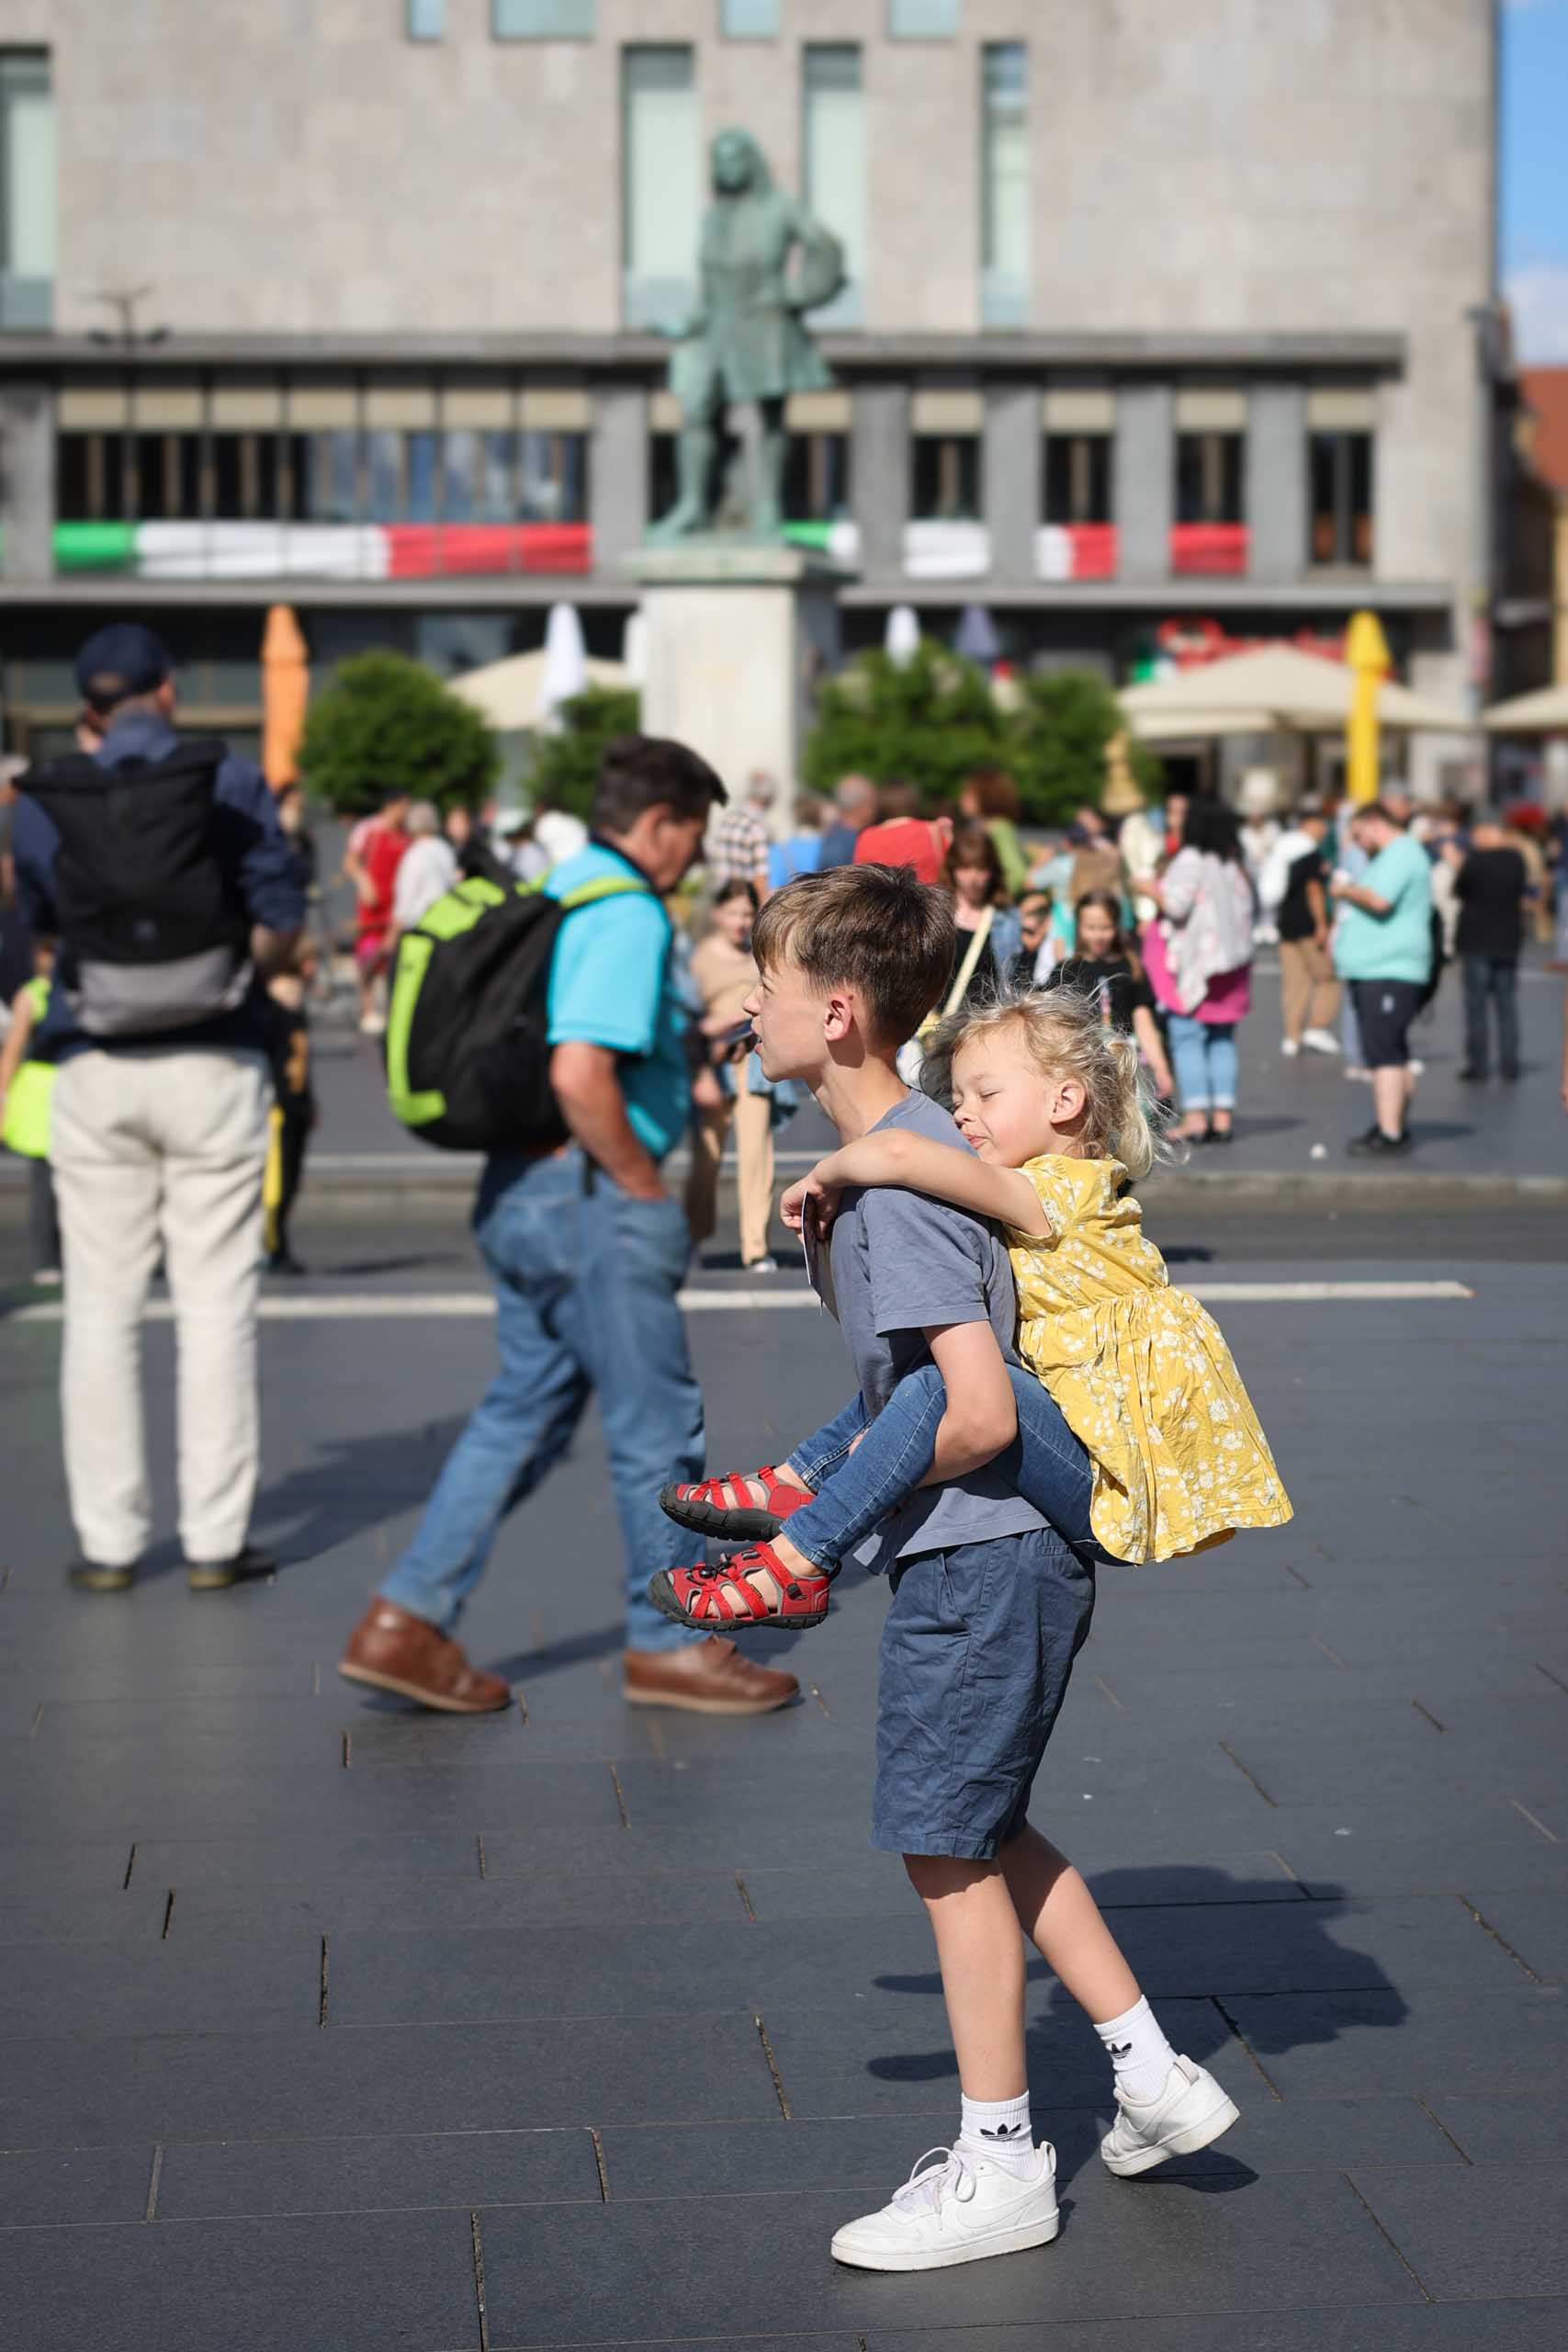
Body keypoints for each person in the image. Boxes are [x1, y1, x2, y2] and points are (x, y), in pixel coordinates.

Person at [649, 866, 1244, 2271]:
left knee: (940, 1842)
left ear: (837, 1011)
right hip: (996, 1550)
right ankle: (1150, 2078)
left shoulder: (904, 1182)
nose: (746, 1004)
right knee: (987, 1824)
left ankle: (998, 2162)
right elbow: (909, 1378)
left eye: (767, 986)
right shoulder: (908, 1152)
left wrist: (824, 1524)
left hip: (981, 1556)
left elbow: (966, 1411)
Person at [336, 733, 798, 1720]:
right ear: (661, 823)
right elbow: (579, 1071)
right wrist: (639, 1187)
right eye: (692, 834)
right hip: (589, 1198)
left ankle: (405, 1621)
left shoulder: (562, 888)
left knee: (521, 1414)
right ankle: (673, 1643)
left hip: (525, 1192)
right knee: (656, 1429)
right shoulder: (625, 909)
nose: (692, 858)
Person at [655, 975, 1290, 1629]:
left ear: (1064, 1101)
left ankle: (800, 1558)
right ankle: (797, 1479)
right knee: (936, 1368)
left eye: (986, 1094)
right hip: (1089, 1458)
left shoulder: (1058, 1191)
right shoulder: (1048, 1187)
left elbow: (901, 1152)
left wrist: (821, 1174)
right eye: (956, 1098)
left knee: (938, 1384)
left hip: (1109, 1497)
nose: (961, 1114)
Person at [9, 622, 305, 1592]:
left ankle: (109, 1540)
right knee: (216, 1305)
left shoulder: (44, 799)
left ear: (86, 707)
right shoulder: (227, 780)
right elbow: (281, 921)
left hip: (94, 1061)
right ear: (168, 692)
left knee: (99, 1306)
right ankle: (216, 1540)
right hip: (213, 1062)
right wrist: (229, 977)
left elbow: (44, 932)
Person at [684, 879, 790, 1272]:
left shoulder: (759, 956)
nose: (741, 922)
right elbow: (688, 1012)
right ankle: (693, 1239)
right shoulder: (698, 959)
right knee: (706, 1158)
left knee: (756, 1155)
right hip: (712, 1065)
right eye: (733, 913)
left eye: (747, 914)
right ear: (717, 915)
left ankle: (755, 1247)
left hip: (752, 1060)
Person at [1140, 798, 1254, 1145]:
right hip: (1230, 969)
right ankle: (1222, 1116)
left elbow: (1176, 904)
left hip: (1195, 969)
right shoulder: (1232, 863)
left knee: (1188, 1040)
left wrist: (1148, 888)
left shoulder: (1190, 861)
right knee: (1222, 1041)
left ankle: (1195, 1118)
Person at [1331, 800, 1433, 1156]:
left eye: (1359, 835)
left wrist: (1344, 890)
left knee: (1384, 1054)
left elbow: (1380, 901)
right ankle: (1395, 1123)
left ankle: (1390, 1132)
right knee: (1394, 1051)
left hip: (1388, 968)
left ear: (1375, 824)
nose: (1359, 844)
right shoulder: (1395, 854)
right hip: (1380, 967)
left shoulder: (1401, 853)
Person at [1043, 892, 1175, 1101]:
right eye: (1091, 928)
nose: (1098, 935)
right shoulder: (1067, 970)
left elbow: (1144, 1023)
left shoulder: (1131, 968)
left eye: (1105, 928)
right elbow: (1053, 1022)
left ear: (1116, 926)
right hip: (1082, 1064)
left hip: (1124, 1065)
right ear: (1079, 927)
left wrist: (1161, 1068)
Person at [0, 944, 61, 1283]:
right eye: (43, 953)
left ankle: (70, 1256)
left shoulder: (75, 987)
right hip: (39, 1097)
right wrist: (3, 1099)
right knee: (42, 1187)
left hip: (74, 1092)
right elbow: (11, 1052)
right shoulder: (31, 997)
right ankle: (47, 1260)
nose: (47, 960)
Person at [1452, 814, 1529, 1082]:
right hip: (1508, 941)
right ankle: (1510, 1064)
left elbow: (1459, 889)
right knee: (1507, 1005)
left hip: (1477, 941)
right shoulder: (1516, 859)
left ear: (1487, 832)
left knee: (1477, 1006)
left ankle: (1479, 1064)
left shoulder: (1475, 861)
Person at [1269, 804, 1342, 1057]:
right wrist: (1322, 924)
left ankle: (1292, 1036)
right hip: (1309, 927)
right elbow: (1314, 891)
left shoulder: (1283, 851)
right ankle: (1317, 1026)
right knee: (1328, 978)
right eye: (1322, 824)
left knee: (1294, 983)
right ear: (1310, 824)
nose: (1325, 830)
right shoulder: (1312, 855)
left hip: (1286, 925)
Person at [262, 954, 316, 1278]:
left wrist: (310, 1104)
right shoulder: (272, 1012)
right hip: (277, 1108)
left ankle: (277, 1243)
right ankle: (273, 1247)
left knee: (291, 1180)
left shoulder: (298, 1011)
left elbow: (304, 1065)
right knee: (276, 1184)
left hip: (297, 1107)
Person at [938, 821, 1021, 1012]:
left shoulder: (1007, 918)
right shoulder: (936, 910)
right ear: (952, 868)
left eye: (981, 869)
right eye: (965, 868)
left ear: (993, 871)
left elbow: (1011, 978)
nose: (973, 878)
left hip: (981, 1021)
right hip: (932, 1020)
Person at [350, 790, 410, 1035]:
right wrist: (364, 882)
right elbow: (351, 861)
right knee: (369, 956)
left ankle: (389, 1010)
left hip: (395, 904)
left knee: (391, 955)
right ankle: (368, 1009)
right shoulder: (368, 829)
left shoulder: (405, 835)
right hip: (372, 905)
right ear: (392, 806)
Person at [853, 781, 953, 885]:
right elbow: (954, 864)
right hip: (930, 898)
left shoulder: (867, 837)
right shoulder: (934, 830)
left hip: (885, 900)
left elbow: (860, 880)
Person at [389, 799, 458, 941]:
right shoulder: (445, 849)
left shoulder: (415, 854)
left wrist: (391, 936)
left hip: (419, 929)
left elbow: (406, 901)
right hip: (446, 924)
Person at [958, 769, 1031, 898]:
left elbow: (1017, 874)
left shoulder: (998, 829)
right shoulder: (986, 828)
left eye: (969, 794)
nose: (962, 799)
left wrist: (991, 896)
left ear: (986, 796)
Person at [705, 769, 774, 898]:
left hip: (721, 900)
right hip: (744, 901)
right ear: (769, 798)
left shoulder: (727, 820)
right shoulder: (757, 827)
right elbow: (761, 878)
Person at [816, 774, 878, 871]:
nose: (875, 809)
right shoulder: (847, 843)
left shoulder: (832, 833)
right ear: (861, 805)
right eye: (872, 802)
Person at [767, 793, 827, 891]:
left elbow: (771, 891)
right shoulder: (830, 847)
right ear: (818, 816)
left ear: (794, 816)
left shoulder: (779, 850)